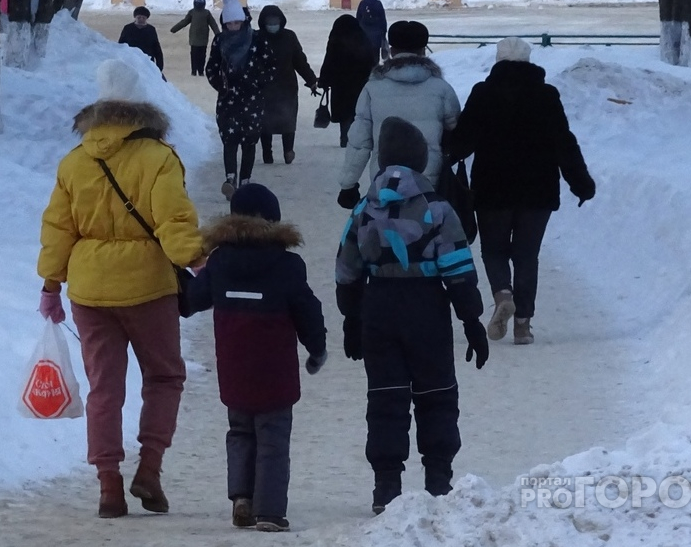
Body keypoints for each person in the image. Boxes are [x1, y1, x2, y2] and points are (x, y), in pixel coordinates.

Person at [37, 63, 206, 519]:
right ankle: (149, 469)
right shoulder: (158, 158)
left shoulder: (75, 162)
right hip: (148, 286)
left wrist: (51, 285)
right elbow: (173, 218)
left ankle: (108, 486)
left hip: (89, 291)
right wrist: (196, 259)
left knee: (104, 390)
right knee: (165, 377)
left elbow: (58, 228)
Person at [335, 116, 489, 515]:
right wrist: (471, 321)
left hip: (378, 308)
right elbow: (456, 267)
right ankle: (438, 480)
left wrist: (352, 319)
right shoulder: (437, 208)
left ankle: (386, 485)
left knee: (385, 397)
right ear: (421, 161)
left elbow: (347, 269)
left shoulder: (363, 209)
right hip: (426, 309)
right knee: (436, 393)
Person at [185, 183, 327, 533]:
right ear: (273, 221)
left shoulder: (219, 261)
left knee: (240, 431)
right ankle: (270, 512)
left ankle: (242, 498)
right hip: (275, 368)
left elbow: (193, 301)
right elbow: (308, 310)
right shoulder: (288, 264)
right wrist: (317, 349)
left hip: (234, 366)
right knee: (273, 438)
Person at [448, 37, 595, 345]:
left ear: (498, 62)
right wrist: (580, 182)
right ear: (529, 62)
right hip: (537, 190)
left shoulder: (483, 93)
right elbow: (563, 142)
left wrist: (444, 156)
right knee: (527, 255)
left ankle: (503, 293)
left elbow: (463, 140)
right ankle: (523, 325)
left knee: (494, 250)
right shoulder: (546, 95)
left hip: (493, 189)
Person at [337, 20, 461, 210]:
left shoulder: (373, 88)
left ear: (392, 50)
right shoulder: (441, 88)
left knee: (384, 233)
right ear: (423, 50)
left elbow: (359, 141)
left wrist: (348, 184)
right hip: (428, 181)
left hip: (384, 180)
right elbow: (453, 129)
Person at [206, 0, 277, 201]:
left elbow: (272, 65)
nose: (234, 26)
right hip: (228, 100)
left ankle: (245, 180)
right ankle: (230, 179)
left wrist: (259, 82)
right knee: (229, 140)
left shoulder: (257, 39)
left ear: (244, 20)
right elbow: (211, 67)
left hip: (252, 99)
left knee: (249, 141)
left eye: (237, 22)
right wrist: (220, 85)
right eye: (230, 23)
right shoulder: (219, 41)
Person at [256, 5, 318, 165]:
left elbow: (300, 61)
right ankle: (267, 153)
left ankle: (288, 151)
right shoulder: (256, 38)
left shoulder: (289, 37)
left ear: (281, 21)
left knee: (288, 120)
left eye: (275, 21)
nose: (272, 25)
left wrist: (311, 80)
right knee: (265, 122)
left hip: (287, 88)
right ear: (263, 22)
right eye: (269, 22)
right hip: (264, 88)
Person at [317, 14, 377, 149]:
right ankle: (359, 138)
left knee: (344, 114)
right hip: (360, 84)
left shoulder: (336, 40)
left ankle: (345, 137)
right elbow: (371, 61)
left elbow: (329, 61)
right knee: (359, 112)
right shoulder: (363, 39)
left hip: (340, 85)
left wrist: (324, 81)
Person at [170, 0, 220, 77]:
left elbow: (213, 24)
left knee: (202, 55)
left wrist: (218, 34)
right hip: (194, 39)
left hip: (203, 39)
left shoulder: (206, 13)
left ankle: (200, 70)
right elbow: (184, 22)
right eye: (197, 1)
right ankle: (194, 70)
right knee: (194, 55)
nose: (199, 3)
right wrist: (174, 29)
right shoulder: (192, 12)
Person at [118, 6, 165, 72]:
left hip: (147, 64)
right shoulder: (128, 28)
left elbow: (156, 48)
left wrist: (159, 67)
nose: (141, 19)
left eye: (143, 18)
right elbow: (121, 46)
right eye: (139, 17)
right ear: (135, 17)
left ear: (146, 18)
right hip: (131, 63)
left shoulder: (151, 30)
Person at [356, 0, 388, 65]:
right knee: (375, 57)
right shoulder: (378, 4)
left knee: (364, 57)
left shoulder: (362, 3)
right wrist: (384, 34)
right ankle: (375, 73)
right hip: (376, 36)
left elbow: (358, 18)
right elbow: (383, 19)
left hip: (364, 36)